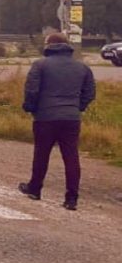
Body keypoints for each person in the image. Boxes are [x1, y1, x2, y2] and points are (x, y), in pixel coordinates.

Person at [19, 33, 96, 211]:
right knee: (71, 157)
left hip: (45, 116)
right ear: (66, 46)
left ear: (48, 45)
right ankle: (71, 198)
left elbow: (32, 90)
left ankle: (35, 188)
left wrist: (31, 108)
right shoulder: (82, 67)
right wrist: (77, 107)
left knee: (41, 153)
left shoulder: (40, 65)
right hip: (71, 118)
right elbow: (90, 93)